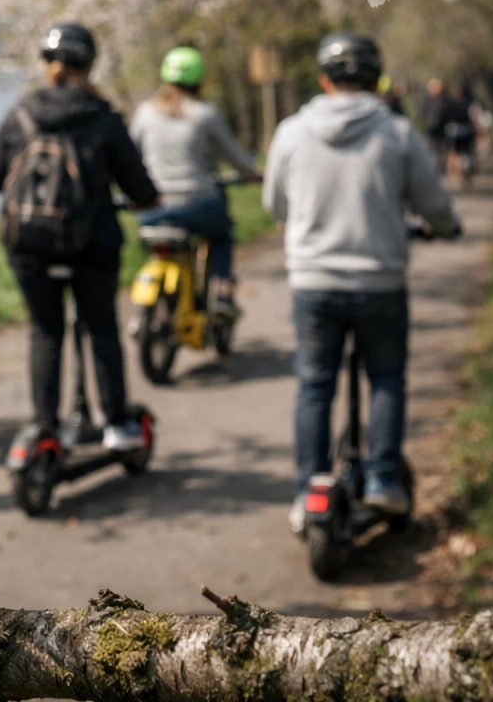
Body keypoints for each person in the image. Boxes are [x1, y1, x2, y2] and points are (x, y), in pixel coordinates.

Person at [262, 33, 460, 534]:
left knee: (314, 387)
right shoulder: (396, 132)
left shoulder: (291, 132)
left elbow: (273, 203)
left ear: (323, 79)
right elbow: (432, 202)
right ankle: (383, 480)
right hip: (379, 282)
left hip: (314, 282)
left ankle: (308, 488)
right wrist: (445, 226)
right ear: (376, 80)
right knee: (386, 379)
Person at [0, 23, 159, 452]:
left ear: (45, 63)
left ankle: (44, 425)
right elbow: (138, 186)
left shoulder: (21, 114)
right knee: (100, 328)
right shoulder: (103, 117)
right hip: (92, 245)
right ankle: (117, 424)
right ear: (90, 65)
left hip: (29, 244)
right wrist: (144, 200)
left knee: (45, 331)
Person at [129, 47, 261, 319]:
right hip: (198, 205)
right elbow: (234, 157)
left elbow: (130, 158)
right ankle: (223, 291)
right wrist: (254, 175)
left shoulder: (144, 113)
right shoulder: (205, 114)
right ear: (200, 79)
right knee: (222, 234)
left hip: (153, 207)